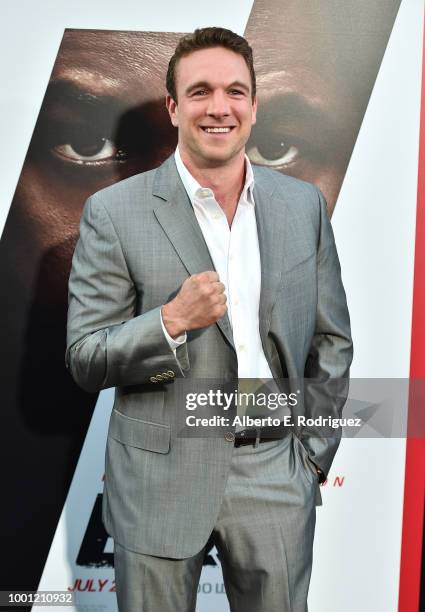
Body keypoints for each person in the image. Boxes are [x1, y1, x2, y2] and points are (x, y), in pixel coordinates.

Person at [66, 26, 352, 611]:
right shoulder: (114, 212)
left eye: (234, 92)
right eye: (199, 92)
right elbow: (85, 358)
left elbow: (332, 341)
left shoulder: (302, 207)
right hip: (159, 476)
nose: (218, 108)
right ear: (174, 107)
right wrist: (169, 321)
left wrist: (310, 454)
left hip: (274, 470)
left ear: (253, 105)